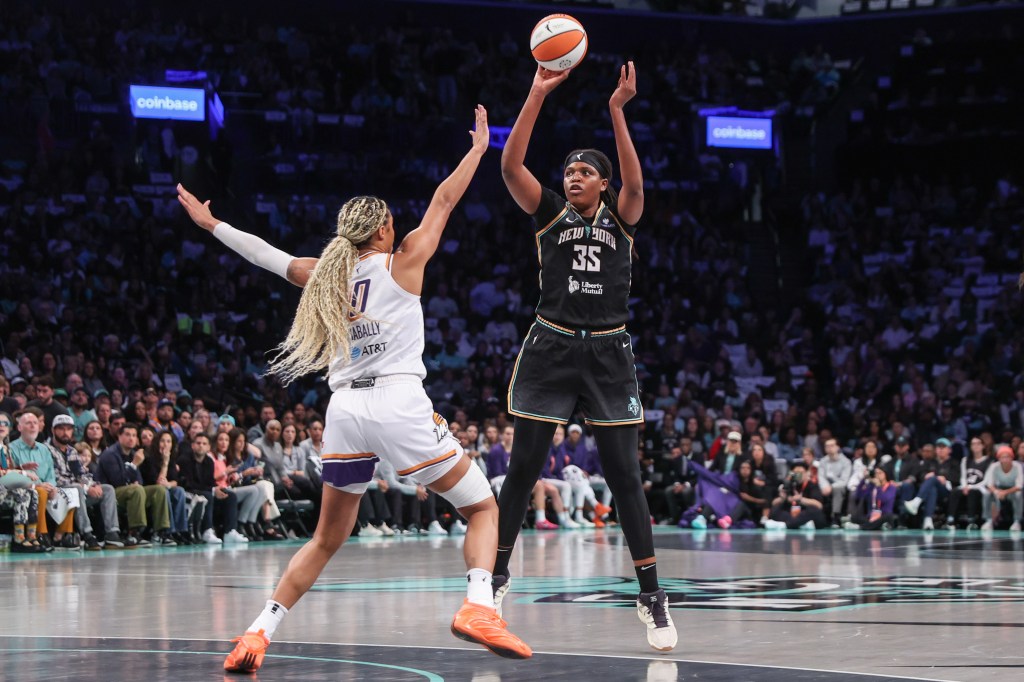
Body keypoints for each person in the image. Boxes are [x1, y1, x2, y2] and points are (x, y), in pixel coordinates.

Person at [178, 105, 531, 673]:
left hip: (344, 410)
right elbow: (444, 201)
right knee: (483, 506)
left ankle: (256, 633)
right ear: (387, 228)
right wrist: (476, 151)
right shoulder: (404, 260)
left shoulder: (327, 274)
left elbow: (267, 255)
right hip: (396, 400)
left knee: (325, 538)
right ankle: (479, 606)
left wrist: (210, 225)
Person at [495, 61, 676, 651]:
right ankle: (493, 577)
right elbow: (509, 165)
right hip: (551, 347)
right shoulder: (549, 213)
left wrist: (617, 112)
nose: (573, 176)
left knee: (625, 477)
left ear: (602, 182)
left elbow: (638, 187)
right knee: (523, 469)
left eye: (584, 171)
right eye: (569, 170)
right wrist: (536, 92)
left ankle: (652, 596)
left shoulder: (623, 220)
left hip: (608, 354)